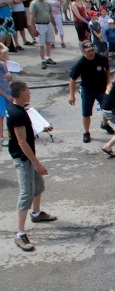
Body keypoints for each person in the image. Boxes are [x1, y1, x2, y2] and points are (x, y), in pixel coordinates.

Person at [7, 81, 58, 252]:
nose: (30, 93)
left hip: (28, 157)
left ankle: (36, 214)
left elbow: (26, 132)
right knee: (26, 194)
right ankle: (20, 234)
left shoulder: (18, 108)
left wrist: (41, 128)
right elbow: (21, 141)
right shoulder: (17, 114)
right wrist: (37, 164)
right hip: (24, 159)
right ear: (22, 94)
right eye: (28, 91)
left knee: (39, 187)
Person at [69, 41, 114, 143]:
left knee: (107, 109)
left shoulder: (101, 58)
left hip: (101, 88)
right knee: (86, 113)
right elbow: (72, 79)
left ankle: (104, 124)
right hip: (87, 90)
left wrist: (108, 83)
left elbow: (107, 69)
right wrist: (71, 95)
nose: (91, 53)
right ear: (83, 51)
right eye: (88, 51)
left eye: (92, 50)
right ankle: (86, 132)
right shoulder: (80, 63)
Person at [29, 0, 57, 70]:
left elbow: (51, 15)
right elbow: (32, 17)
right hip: (40, 25)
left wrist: (54, 26)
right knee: (41, 44)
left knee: (48, 42)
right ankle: (43, 60)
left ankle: (48, 57)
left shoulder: (47, 4)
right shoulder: (34, 3)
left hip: (48, 24)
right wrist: (34, 29)